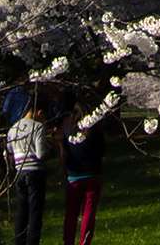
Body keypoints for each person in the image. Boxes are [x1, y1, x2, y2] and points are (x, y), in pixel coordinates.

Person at [60, 94, 106, 245]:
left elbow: (65, 152)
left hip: (74, 176)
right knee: (89, 210)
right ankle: (85, 240)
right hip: (93, 174)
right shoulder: (95, 132)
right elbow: (103, 151)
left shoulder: (69, 132)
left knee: (71, 213)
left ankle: (68, 241)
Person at [7, 98, 49, 245]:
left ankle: (19, 241)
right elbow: (40, 154)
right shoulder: (38, 127)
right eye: (44, 117)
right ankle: (32, 242)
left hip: (19, 172)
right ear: (39, 112)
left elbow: (8, 152)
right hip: (35, 172)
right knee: (35, 211)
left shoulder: (13, 129)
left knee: (22, 211)